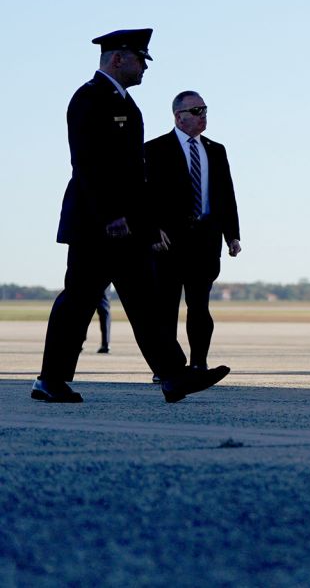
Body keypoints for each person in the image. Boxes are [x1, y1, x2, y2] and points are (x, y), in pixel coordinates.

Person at [33, 29, 229, 403]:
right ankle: (50, 380)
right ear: (118, 58)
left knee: (146, 301)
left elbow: (135, 176)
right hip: (97, 225)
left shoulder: (127, 104)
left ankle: (173, 375)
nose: (144, 68)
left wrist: (148, 223)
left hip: (129, 227)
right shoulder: (89, 99)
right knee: (78, 301)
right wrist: (110, 214)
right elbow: (87, 163)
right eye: (140, 59)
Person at [145, 91, 242, 373]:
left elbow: (226, 194)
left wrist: (232, 234)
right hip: (168, 242)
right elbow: (145, 196)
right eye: (197, 110)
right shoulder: (154, 149)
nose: (203, 115)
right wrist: (152, 231)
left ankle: (199, 362)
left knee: (199, 306)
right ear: (179, 116)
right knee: (166, 308)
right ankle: (166, 367)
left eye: (205, 110)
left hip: (205, 239)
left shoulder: (215, 149)